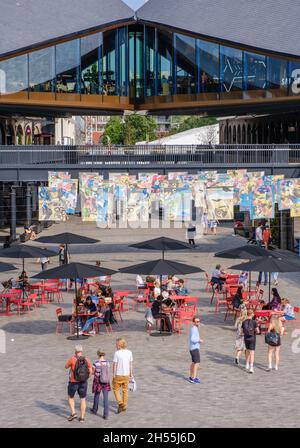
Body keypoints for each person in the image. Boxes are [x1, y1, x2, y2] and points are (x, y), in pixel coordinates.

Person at [65, 345, 93, 423]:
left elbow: (66, 366)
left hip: (73, 382)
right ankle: (82, 418)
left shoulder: (72, 359)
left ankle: (73, 413)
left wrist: (71, 365)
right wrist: (86, 378)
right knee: (83, 399)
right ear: (82, 351)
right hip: (83, 382)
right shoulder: (86, 359)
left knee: (71, 397)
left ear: (75, 351)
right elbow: (91, 371)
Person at [112, 338, 133, 413]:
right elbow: (130, 364)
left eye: (116, 344)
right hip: (126, 374)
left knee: (115, 389)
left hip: (118, 374)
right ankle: (124, 405)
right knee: (125, 390)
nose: (115, 345)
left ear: (119, 345)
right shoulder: (129, 352)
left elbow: (114, 365)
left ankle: (120, 402)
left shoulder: (117, 353)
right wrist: (131, 374)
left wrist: (113, 374)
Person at [91, 350, 111, 419]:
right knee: (106, 398)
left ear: (98, 354)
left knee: (96, 395)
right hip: (106, 381)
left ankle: (94, 410)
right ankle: (106, 414)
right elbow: (107, 372)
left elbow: (93, 372)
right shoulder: (107, 363)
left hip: (98, 381)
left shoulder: (96, 363)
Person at [188, 316, 203, 384]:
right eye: (196, 322)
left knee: (194, 362)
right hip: (194, 348)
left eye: (198, 321)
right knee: (197, 363)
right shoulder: (194, 329)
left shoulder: (194, 328)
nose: (198, 323)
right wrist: (199, 340)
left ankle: (191, 377)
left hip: (192, 348)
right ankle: (193, 378)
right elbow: (192, 339)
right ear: (193, 322)